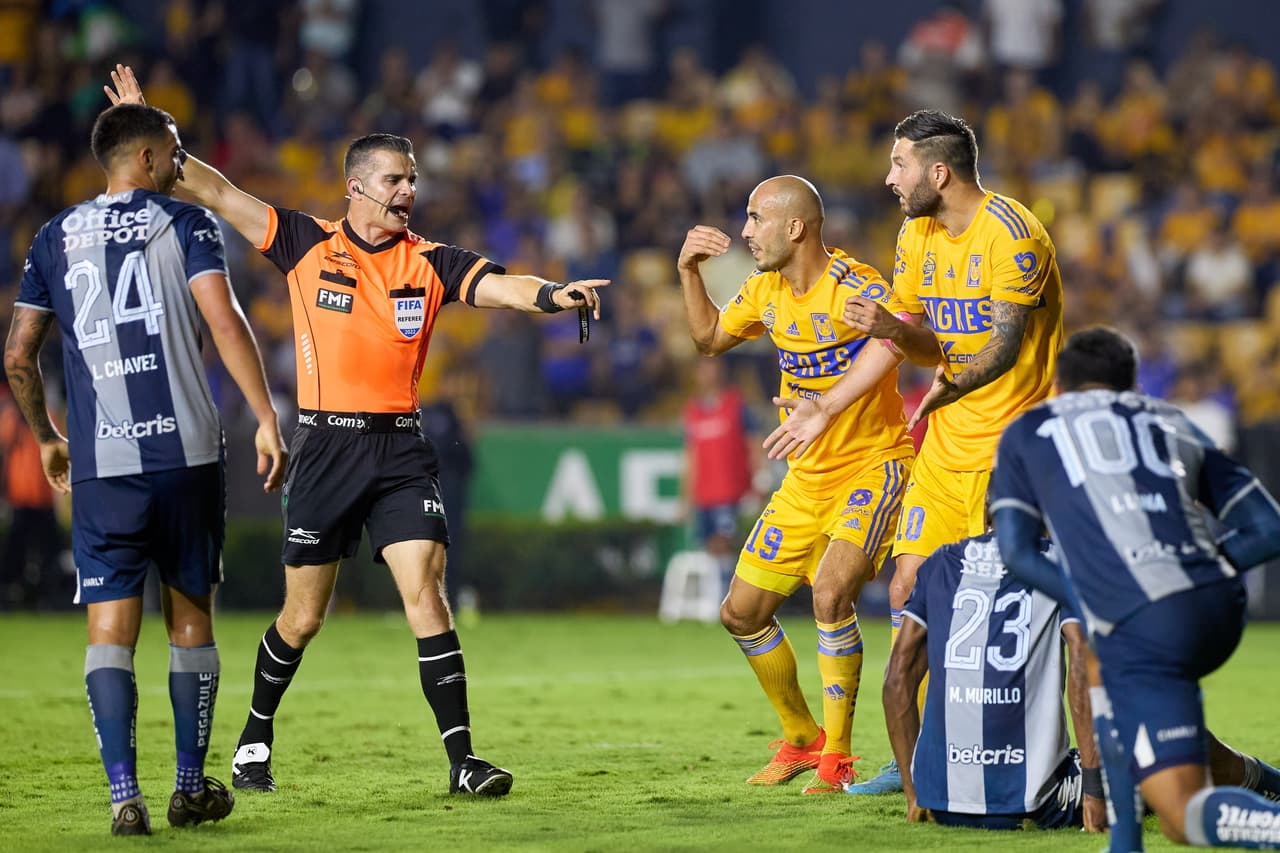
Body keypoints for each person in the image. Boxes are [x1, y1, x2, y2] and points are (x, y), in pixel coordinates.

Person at [106, 65, 607, 798]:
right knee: (303, 616)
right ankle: (255, 734)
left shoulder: (430, 262)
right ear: (358, 187)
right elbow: (213, 190)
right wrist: (147, 130)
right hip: (326, 448)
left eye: (413, 180)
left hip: (401, 448)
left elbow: (501, 287)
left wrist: (554, 294)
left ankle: (463, 760)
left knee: (426, 595)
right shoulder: (305, 242)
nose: (410, 191)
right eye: (397, 180)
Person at [3, 102, 287, 836]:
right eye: (176, 153)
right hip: (185, 453)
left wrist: (45, 436)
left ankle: (123, 794)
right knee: (190, 617)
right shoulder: (185, 225)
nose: (180, 164)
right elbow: (223, 322)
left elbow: (17, 355)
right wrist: (264, 416)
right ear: (155, 159)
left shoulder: (53, 236)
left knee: (109, 629)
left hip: (102, 462)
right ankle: (189, 785)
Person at [842, 109, 1063, 794]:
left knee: (1006, 606)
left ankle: (1033, 747)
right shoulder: (916, 233)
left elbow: (1000, 349)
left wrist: (940, 390)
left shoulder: (1014, 234)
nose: (889, 179)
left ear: (939, 172)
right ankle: (919, 752)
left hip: (1012, 453)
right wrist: (890, 329)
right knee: (908, 591)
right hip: (944, 450)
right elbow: (927, 344)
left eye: (899, 165)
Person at [992, 326, 1280, 850]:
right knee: (1107, 666)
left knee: (1184, 818)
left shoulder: (1031, 428)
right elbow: (1270, 529)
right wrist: (1205, 566)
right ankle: (1125, 840)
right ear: (1131, 388)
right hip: (1218, 605)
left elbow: (1016, 551)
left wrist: (1083, 596)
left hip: (1146, 617)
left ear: (1059, 385)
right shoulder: (1172, 420)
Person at [677, 175, 914, 794]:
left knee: (832, 593)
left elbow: (895, 344)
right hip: (806, 481)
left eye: (756, 220)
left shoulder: (853, 285)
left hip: (875, 464)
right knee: (741, 612)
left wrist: (826, 405)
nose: (746, 232)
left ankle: (838, 758)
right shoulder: (766, 291)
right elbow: (708, 341)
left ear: (796, 227)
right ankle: (802, 739)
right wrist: (689, 273)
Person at [882, 529, 1105, 830]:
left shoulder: (940, 563)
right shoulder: (1060, 564)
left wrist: (914, 794)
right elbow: (1082, 661)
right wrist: (1094, 792)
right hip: (1034, 801)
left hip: (941, 800)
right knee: (1144, 764)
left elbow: (897, 678)